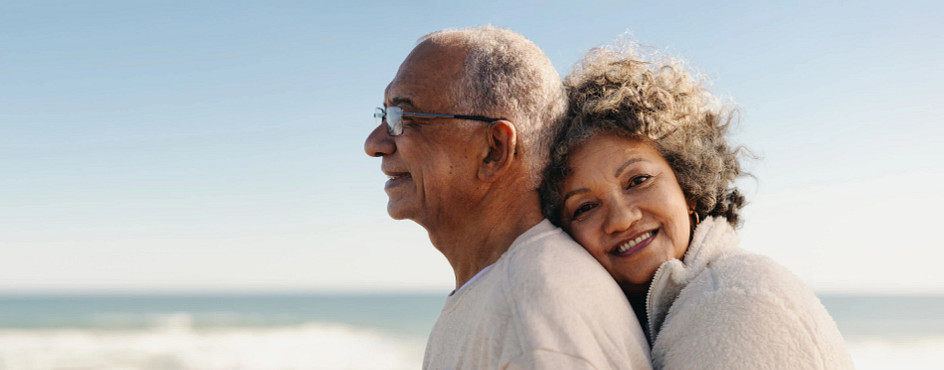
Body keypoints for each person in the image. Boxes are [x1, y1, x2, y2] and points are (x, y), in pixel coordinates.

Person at [539, 42, 854, 369]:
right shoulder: (657, 315)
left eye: (638, 180)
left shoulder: (730, 303)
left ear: (688, 186)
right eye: (585, 207)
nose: (621, 219)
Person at [364, 26, 650, 370]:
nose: (374, 144)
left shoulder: (530, 320)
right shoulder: (506, 292)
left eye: (402, 117)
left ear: (494, 150)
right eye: (385, 115)